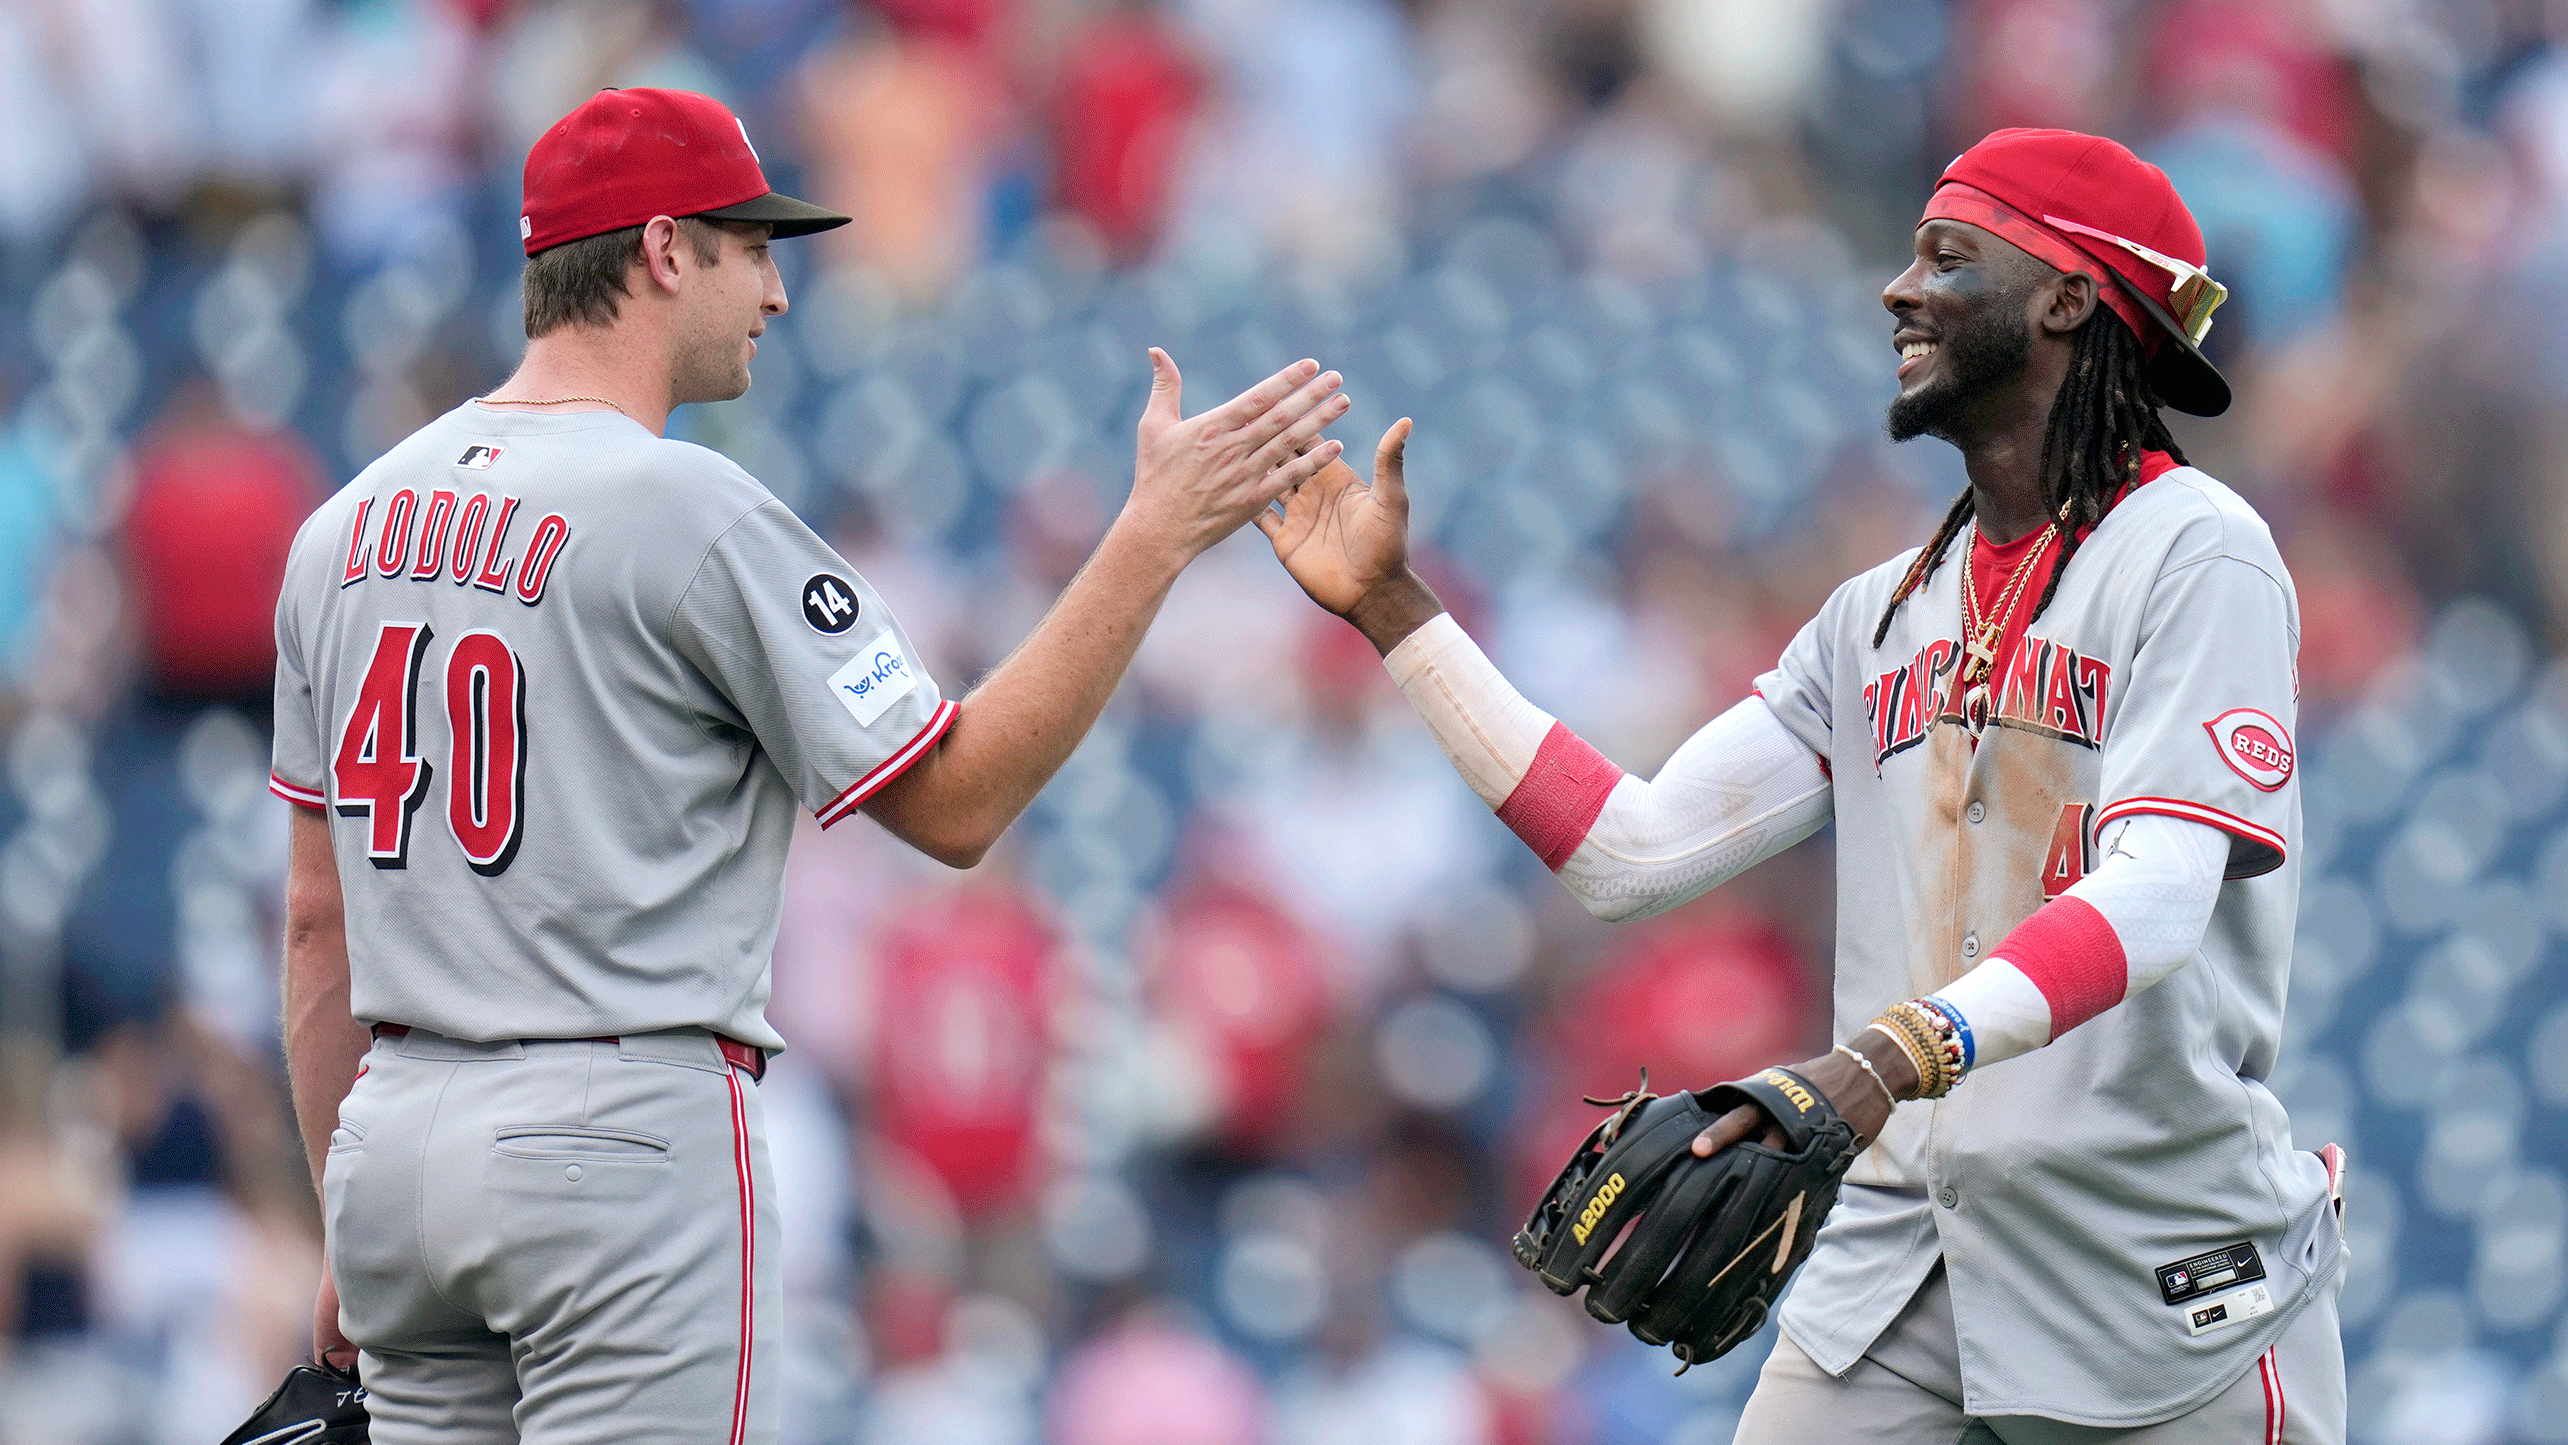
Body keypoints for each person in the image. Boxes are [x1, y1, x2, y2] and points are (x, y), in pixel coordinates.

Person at [270, 87, 1347, 1444]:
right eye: (752, 248)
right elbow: (955, 805)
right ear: (665, 251)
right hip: (615, 1141)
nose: (778, 294)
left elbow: (317, 922)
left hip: (397, 1146)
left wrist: (348, 1203)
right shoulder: (690, 506)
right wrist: (1153, 538)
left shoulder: (342, 530)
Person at [1262, 128, 2347, 1442]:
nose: (1898, 287)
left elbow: (2162, 895)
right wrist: (1394, 609)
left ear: (2067, 297)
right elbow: (1630, 849)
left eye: (1949, 257)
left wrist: (1890, 1057)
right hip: (1898, 1269)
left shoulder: (2198, 553)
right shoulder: (1876, 616)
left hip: (2155, 1282)